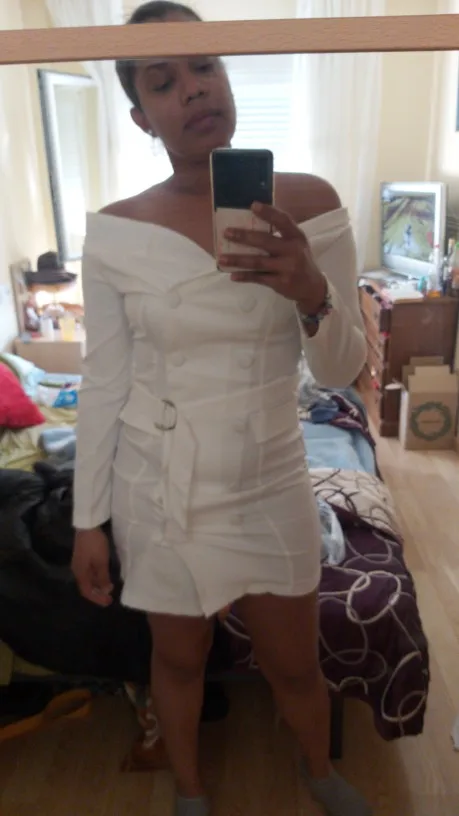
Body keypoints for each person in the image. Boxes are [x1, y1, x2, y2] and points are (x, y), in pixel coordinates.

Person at [71, 3, 370, 815]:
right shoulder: (115, 233)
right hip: (157, 484)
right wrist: (87, 521)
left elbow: (341, 371)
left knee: (295, 664)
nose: (194, 89)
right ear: (141, 117)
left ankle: (318, 772)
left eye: (204, 67)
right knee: (177, 659)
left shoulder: (308, 201)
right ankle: (191, 791)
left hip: (268, 474)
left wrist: (310, 291)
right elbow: (103, 382)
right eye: (163, 81)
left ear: (228, 76)